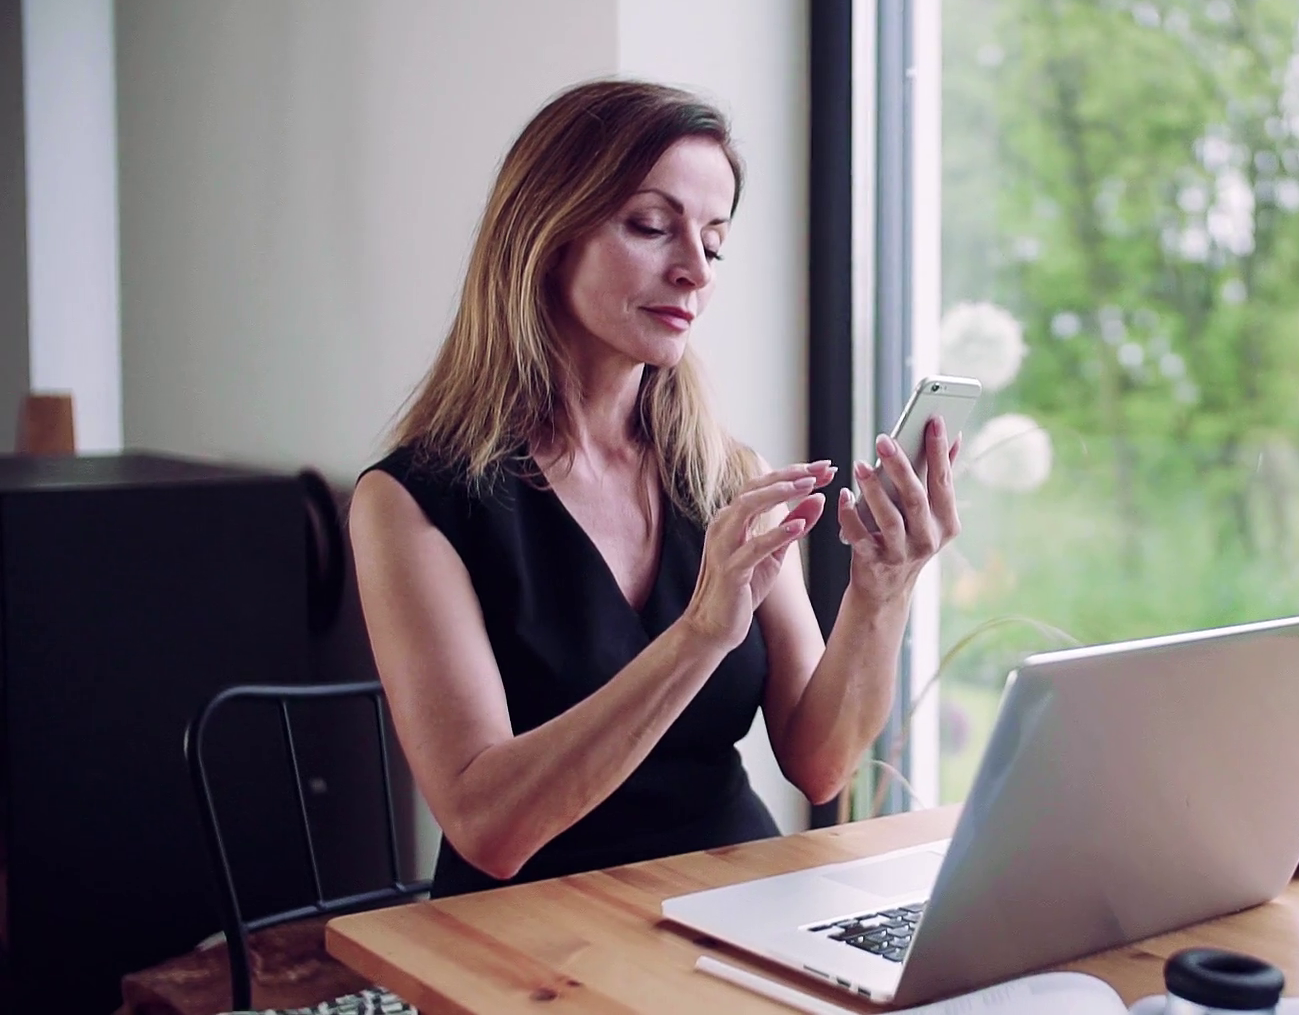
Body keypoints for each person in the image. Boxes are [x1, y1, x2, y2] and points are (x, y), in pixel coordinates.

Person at [349, 80, 960, 897]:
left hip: (736, 906)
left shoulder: (722, 475)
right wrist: (700, 634)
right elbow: (487, 826)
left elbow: (820, 763)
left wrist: (881, 592)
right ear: (547, 234)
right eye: (649, 226)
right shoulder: (412, 502)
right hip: (524, 939)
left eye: (714, 241)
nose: (693, 270)